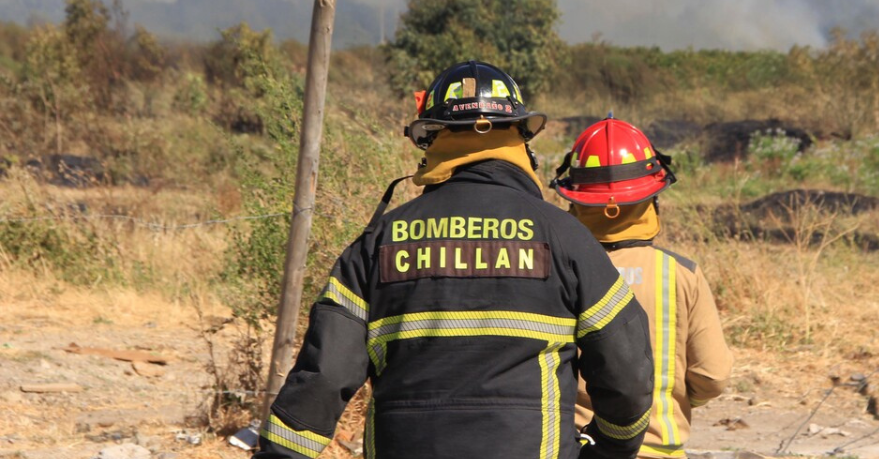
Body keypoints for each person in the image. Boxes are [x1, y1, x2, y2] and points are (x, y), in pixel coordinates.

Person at [255, 62, 654, 459]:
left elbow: (323, 376)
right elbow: (627, 372)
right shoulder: (566, 239)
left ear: (431, 140)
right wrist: (611, 448)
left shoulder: (379, 242)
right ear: (520, 138)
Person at [552, 117, 733, 459]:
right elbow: (713, 374)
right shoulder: (681, 273)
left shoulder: (554, 270)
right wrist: (673, 397)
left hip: (574, 449)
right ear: (652, 196)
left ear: (574, 197)